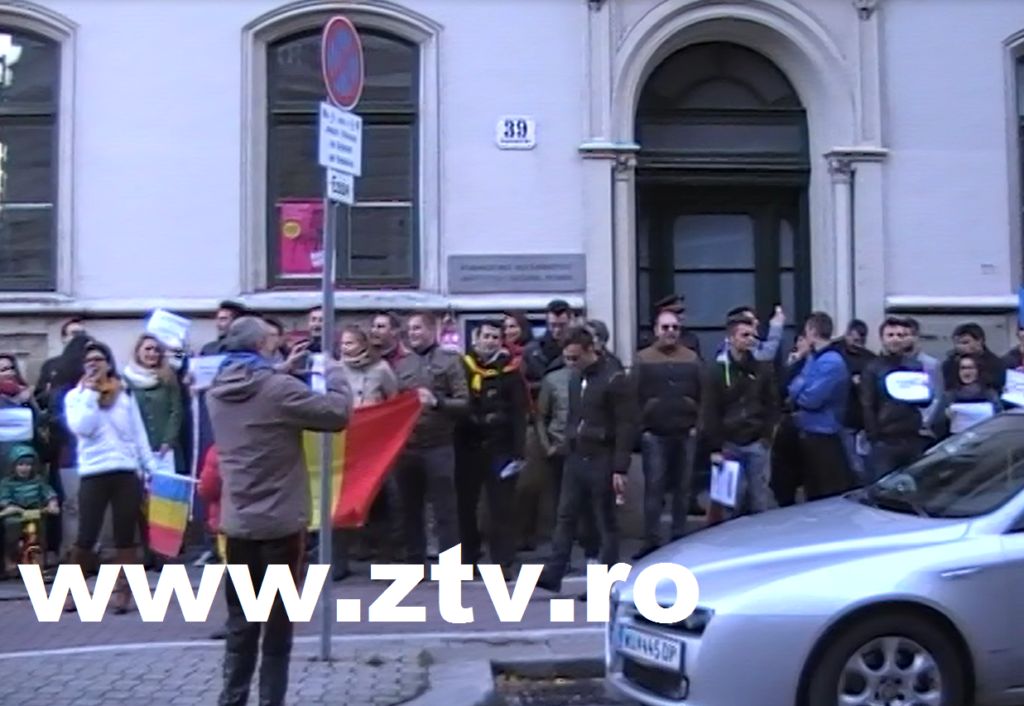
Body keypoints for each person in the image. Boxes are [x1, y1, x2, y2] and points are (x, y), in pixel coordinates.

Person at [206, 316, 352, 706]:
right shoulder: (278, 390)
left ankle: (232, 698)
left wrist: (280, 371)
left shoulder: (216, 390)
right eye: (272, 341)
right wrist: (333, 370)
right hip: (280, 525)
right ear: (259, 347)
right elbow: (337, 414)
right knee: (277, 623)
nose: (278, 345)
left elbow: (257, 399)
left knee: (241, 621)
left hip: (238, 524)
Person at [537, 327, 636, 595]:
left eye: (575, 357)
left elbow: (626, 424)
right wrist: (569, 438)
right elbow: (574, 414)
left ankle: (607, 580)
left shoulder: (614, 378)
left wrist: (620, 467)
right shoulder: (576, 378)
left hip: (602, 455)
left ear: (591, 350)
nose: (571, 363)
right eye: (567, 358)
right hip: (576, 454)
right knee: (566, 515)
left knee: (605, 521)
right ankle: (554, 571)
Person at [63, 340, 156, 614]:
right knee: (86, 535)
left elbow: (138, 433)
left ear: (108, 364)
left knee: (125, 534)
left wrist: (150, 467)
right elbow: (83, 428)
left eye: (99, 360)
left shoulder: (124, 394)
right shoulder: (75, 397)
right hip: (94, 472)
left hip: (125, 471)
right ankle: (73, 592)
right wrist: (91, 395)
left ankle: (124, 592)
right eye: (89, 361)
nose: (94, 364)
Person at [392, 311, 469, 565]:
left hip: (439, 445)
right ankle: (415, 563)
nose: (412, 333)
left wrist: (437, 402)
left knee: (445, 510)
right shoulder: (402, 365)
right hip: (407, 446)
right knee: (409, 509)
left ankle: (450, 567)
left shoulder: (450, 361)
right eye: (410, 329)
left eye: (417, 328)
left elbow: (464, 403)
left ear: (431, 330)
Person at [455, 320, 527, 577]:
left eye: (496, 337)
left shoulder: (511, 372)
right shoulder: (462, 368)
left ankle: (503, 563)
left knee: (502, 508)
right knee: (465, 507)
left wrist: (519, 452)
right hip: (468, 448)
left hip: (500, 449)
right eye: (486, 336)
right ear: (475, 339)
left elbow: (519, 413)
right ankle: (467, 560)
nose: (490, 341)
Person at [633, 309, 701, 555]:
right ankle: (651, 539)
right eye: (665, 327)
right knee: (655, 487)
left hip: (685, 431)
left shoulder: (691, 358)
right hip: (655, 433)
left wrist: (697, 424)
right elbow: (633, 396)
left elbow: (703, 393)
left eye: (675, 327)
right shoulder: (643, 359)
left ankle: (679, 535)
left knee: (683, 487)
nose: (670, 332)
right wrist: (642, 426)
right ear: (656, 330)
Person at [700, 314, 778, 523]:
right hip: (729, 443)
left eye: (752, 335)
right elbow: (710, 409)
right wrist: (715, 447)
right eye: (744, 335)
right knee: (728, 502)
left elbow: (772, 404)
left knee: (759, 500)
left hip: (756, 441)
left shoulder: (762, 368)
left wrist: (767, 437)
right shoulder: (717, 370)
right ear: (731, 338)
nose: (750, 339)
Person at [787, 312, 853, 500]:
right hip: (810, 433)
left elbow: (810, 399)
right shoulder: (814, 358)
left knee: (825, 490)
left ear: (812, 331)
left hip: (825, 435)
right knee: (812, 489)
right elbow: (792, 388)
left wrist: (798, 391)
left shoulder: (831, 361)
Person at [861, 317, 933, 481]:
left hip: (912, 437)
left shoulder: (915, 366)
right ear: (882, 338)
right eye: (890, 335)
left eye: (900, 335)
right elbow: (867, 404)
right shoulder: (872, 368)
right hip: (884, 440)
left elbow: (925, 401)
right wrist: (874, 437)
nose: (895, 339)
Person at [0, 444, 59, 578]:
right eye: (20, 465)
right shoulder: (6, 483)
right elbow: (4, 498)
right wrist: (10, 506)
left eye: (28, 465)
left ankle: (39, 562)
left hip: (35, 512)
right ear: (13, 466)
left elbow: (48, 493)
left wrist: (52, 503)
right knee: (12, 535)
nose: (24, 468)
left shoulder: (38, 481)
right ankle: (12, 561)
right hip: (15, 514)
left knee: (40, 534)